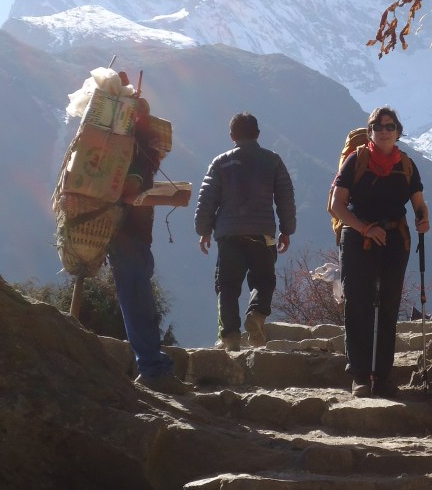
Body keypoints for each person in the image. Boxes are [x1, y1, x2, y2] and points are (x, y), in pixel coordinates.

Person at [329, 106, 429, 398]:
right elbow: (338, 206)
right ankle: (360, 375)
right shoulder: (355, 161)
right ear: (370, 131)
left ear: (398, 131)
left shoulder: (407, 164)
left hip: (395, 238)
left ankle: (381, 376)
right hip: (359, 237)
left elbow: (418, 201)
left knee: (388, 304)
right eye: (378, 127)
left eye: (390, 126)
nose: (384, 131)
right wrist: (365, 228)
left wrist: (423, 217)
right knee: (358, 303)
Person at [194, 112, 296, 351]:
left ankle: (229, 336)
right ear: (258, 134)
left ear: (232, 136)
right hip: (263, 233)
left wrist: (204, 230)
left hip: (229, 234)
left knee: (227, 285)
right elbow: (285, 197)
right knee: (263, 279)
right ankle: (257, 314)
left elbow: (207, 199)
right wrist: (287, 229)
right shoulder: (272, 160)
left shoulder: (220, 162)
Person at [107, 94, 186, 394]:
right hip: (131, 239)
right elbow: (129, 191)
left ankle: (152, 365)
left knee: (134, 299)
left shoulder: (122, 149)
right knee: (138, 301)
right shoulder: (141, 155)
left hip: (119, 236)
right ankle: (153, 368)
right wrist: (168, 197)